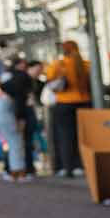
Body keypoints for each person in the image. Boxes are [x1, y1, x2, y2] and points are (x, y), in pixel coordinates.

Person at [43, 39, 89, 178]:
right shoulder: (86, 65)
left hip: (63, 104)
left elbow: (49, 81)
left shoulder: (58, 65)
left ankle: (66, 166)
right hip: (84, 103)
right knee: (83, 136)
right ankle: (81, 165)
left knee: (65, 137)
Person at [0, 56, 37, 180]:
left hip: (2, 109)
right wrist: (21, 119)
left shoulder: (9, 75)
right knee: (16, 142)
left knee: (13, 142)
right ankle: (17, 172)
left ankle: (13, 171)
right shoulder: (23, 78)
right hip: (9, 111)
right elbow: (20, 99)